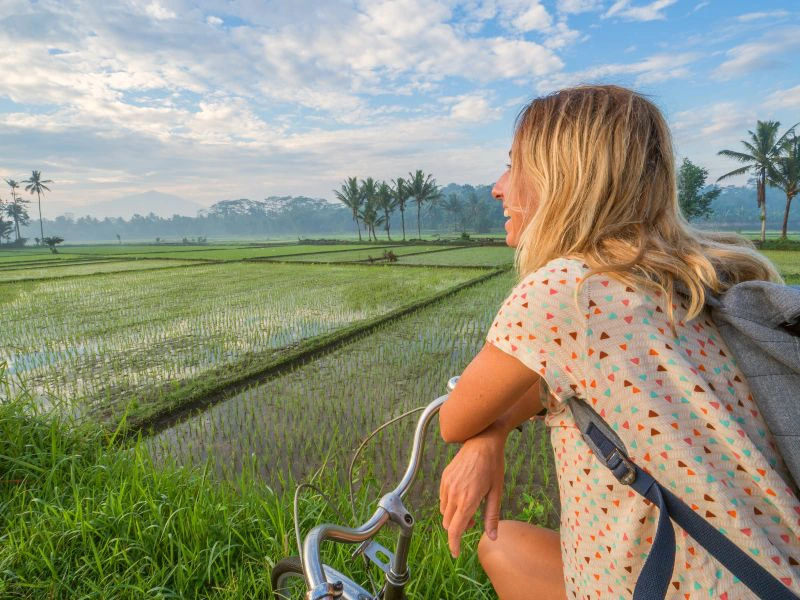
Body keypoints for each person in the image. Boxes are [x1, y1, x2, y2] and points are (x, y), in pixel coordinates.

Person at [437, 84, 800, 600]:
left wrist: (483, 433)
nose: (498, 187)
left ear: (563, 177)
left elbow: (456, 418)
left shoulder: (566, 289)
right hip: (770, 570)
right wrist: (493, 435)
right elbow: (567, 381)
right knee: (501, 547)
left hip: (674, 582)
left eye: (514, 165)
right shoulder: (703, 274)